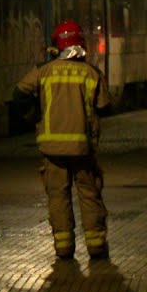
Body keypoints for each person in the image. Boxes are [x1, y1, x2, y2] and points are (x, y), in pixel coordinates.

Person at [13, 20, 112, 260]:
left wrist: (34, 116)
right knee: (89, 194)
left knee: (58, 196)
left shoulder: (43, 71)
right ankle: (97, 246)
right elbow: (105, 107)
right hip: (82, 148)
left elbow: (18, 93)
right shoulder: (91, 73)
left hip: (51, 148)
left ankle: (64, 248)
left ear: (57, 45)